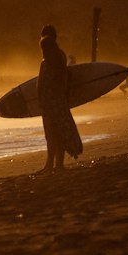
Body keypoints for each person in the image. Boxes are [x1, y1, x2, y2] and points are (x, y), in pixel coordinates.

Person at [36, 23, 82, 173]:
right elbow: (66, 78)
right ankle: (59, 165)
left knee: (50, 134)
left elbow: (40, 84)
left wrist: (40, 101)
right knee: (60, 132)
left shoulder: (46, 62)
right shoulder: (61, 56)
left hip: (49, 103)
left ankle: (50, 165)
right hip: (60, 101)